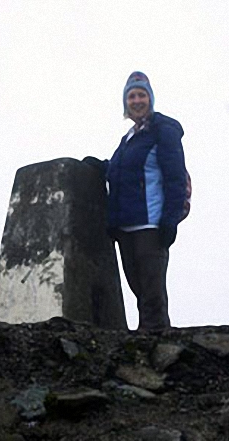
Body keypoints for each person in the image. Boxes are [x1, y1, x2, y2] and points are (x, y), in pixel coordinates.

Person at [84, 71, 187, 330]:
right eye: (131, 96)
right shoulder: (128, 138)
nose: (137, 100)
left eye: (142, 95)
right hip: (125, 226)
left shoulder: (164, 130)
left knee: (152, 293)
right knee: (139, 290)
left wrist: (170, 221)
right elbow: (122, 171)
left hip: (150, 225)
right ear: (125, 103)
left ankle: (158, 346)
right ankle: (148, 345)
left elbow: (175, 177)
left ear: (150, 99)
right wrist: (102, 167)